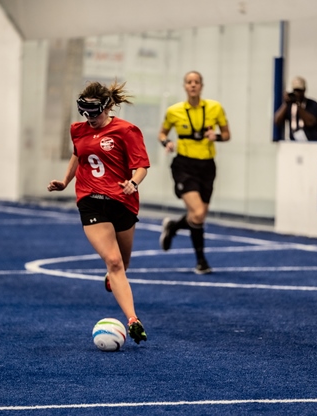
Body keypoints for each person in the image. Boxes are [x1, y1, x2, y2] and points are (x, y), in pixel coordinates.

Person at [47, 80, 150, 344]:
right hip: (90, 200)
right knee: (114, 262)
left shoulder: (127, 130)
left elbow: (141, 167)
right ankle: (133, 320)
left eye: (95, 113)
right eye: (85, 113)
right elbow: (77, 155)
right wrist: (65, 181)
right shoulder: (77, 130)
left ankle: (113, 277)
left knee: (123, 264)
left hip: (123, 201)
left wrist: (133, 183)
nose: (90, 119)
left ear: (106, 107)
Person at [158, 71, 230, 274]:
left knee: (199, 216)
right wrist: (167, 142)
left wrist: (215, 136)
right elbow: (162, 132)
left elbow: (226, 135)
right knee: (198, 213)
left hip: (207, 166)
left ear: (201, 85)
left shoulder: (215, 108)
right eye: (189, 82)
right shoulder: (174, 111)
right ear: (184, 86)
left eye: (196, 82)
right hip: (184, 166)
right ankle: (201, 262)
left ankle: (172, 226)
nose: (193, 85)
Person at [273, 76, 317, 142]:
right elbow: (277, 121)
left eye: (299, 90)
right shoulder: (289, 105)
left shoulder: (312, 104)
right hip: (295, 142)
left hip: (312, 142)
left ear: (304, 90)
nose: (297, 93)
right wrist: (286, 103)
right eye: (295, 90)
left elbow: (310, 122)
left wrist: (298, 105)